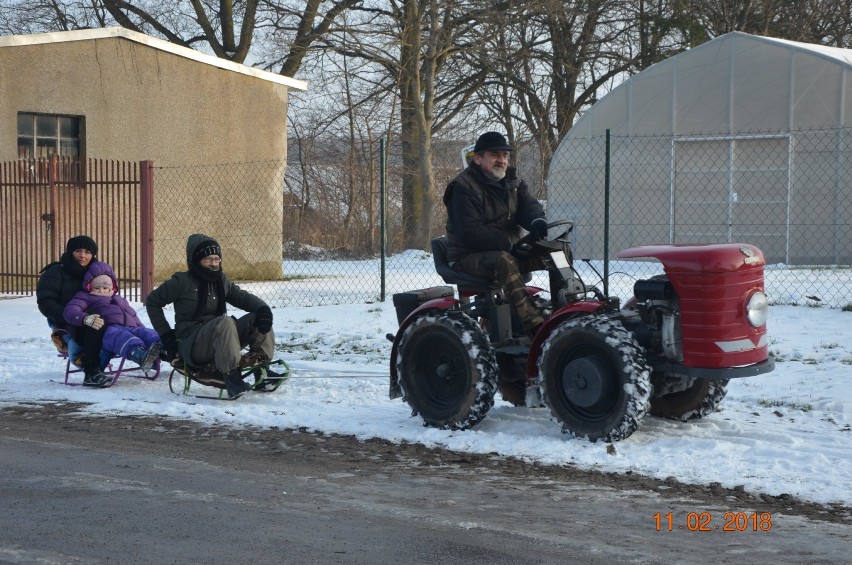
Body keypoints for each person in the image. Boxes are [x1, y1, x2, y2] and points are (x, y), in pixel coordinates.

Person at [443, 131, 549, 335]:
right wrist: (508, 244)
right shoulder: (462, 187)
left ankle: (566, 309)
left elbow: (528, 205)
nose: (501, 160)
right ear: (477, 158)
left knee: (553, 251)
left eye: (505, 155)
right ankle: (535, 326)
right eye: (495, 155)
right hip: (467, 255)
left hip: (505, 248)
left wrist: (537, 221)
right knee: (504, 261)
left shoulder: (513, 182)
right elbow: (470, 231)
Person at [145, 233, 275, 398]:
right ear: (196, 260)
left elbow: (241, 296)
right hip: (192, 344)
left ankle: (262, 370)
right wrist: (166, 335)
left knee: (258, 317)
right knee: (225, 322)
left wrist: (263, 308)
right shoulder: (181, 282)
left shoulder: (220, 280)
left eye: (217, 259)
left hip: (221, 337)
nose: (214, 264)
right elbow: (153, 302)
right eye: (208, 259)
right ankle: (231, 375)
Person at [37, 235, 111, 387]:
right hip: (67, 320)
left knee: (123, 321)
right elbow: (46, 302)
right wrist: (75, 316)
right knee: (94, 323)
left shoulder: (96, 272)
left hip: (99, 316)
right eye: (78, 251)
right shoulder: (56, 272)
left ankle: (150, 352)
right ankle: (91, 373)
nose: (83, 256)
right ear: (70, 252)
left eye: (88, 252)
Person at [63, 262, 161, 373]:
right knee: (122, 337)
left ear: (111, 287)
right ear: (89, 286)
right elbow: (70, 311)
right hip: (108, 330)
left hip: (129, 327)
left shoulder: (118, 299)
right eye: (97, 287)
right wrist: (85, 318)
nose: (101, 291)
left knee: (148, 334)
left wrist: (141, 328)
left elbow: (133, 315)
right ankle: (140, 355)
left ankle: (166, 350)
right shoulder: (85, 297)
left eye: (105, 287)